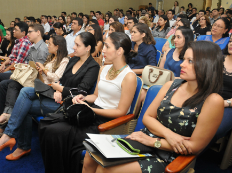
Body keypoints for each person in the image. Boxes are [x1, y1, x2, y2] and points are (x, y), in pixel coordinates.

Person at [82, 40, 224, 173]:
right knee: (90, 155)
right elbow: (147, 118)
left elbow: (193, 147)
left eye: (190, 61)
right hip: (143, 140)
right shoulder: (170, 86)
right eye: (184, 59)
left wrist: (154, 142)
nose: (182, 64)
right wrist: (169, 135)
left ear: (207, 65)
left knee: (104, 169)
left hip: (168, 154)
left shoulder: (213, 100)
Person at [0, 32, 100, 166]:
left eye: (77, 45)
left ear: (88, 48)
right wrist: (59, 89)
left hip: (70, 104)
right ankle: (12, 137)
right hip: (58, 96)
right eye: (74, 44)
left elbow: (82, 91)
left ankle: (14, 139)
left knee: (25, 103)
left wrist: (60, 89)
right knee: (25, 92)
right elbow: (62, 80)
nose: (73, 47)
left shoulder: (93, 66)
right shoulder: (74, 59)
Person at [39, 31, 137, 173]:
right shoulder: (104, 69)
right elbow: (96, 96)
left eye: (107, 47)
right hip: (91, 111)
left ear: (119, 51)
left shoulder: (129, 76)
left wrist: (90, 109)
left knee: (55, 131)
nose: (102, 50)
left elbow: (121, 112)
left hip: (106, 121)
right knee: (47, 125)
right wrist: (82, 98)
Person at [0, 34, 69, 143]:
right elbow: (45, 75)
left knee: (18, 90)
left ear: (57, 47)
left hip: (47, 89)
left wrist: (43, 69)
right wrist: (40, 70)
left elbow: (56, 77)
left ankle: (3, 127)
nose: (48, 45)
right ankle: (6, 114)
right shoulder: (51, 57)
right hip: (39, 83)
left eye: (50, 44)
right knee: (10, 84)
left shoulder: (64, 60)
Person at [0, 22, 31, 88]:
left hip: (16, 70)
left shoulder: (24, 43)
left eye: (16, 30)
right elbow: (11, 57)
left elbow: (17, 63)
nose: (14, 31)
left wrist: (5, 70)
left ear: (23, 33)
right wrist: (3, 64)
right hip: (10, 66)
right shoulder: (18, 41)